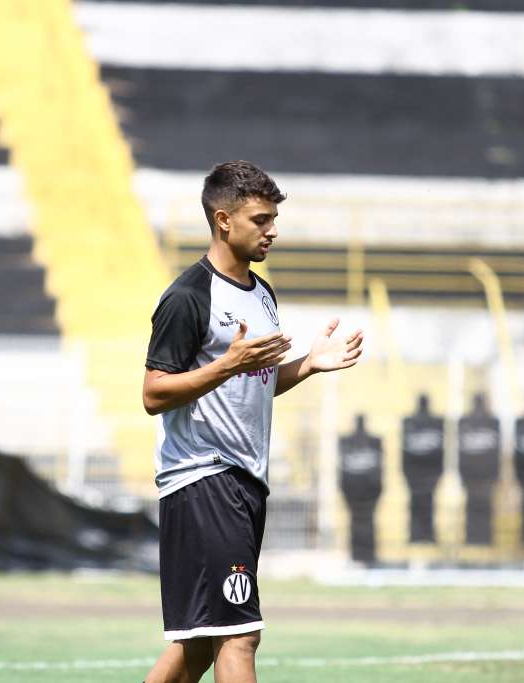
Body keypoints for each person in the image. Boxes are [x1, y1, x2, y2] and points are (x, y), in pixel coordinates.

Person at [142, 160, 364, 683]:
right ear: (223, 221)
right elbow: (153, 394)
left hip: (243, 484)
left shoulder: (262, 293)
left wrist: (307, 364)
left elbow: (253, 384)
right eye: (261, 220)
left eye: (273, 219)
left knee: (202, 644)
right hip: (204, 479)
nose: (273, 230)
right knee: (239, 636)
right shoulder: (188, 297)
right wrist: (227, 364)